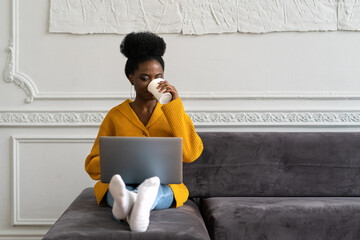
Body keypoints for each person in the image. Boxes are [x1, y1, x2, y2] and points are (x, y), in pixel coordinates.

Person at [85, 31, 203, 232]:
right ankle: (135, 202)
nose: (152, 84)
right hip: (122, 184)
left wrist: (174, 106)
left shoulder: (173, 112)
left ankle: (132, 205)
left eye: (158, 78)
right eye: (144, 78)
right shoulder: (115, 115)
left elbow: (190, 154)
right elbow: (92, 166)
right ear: (131, 79)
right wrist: (117, 163)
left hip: (161, 185)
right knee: (117, 191)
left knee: (156, 190)